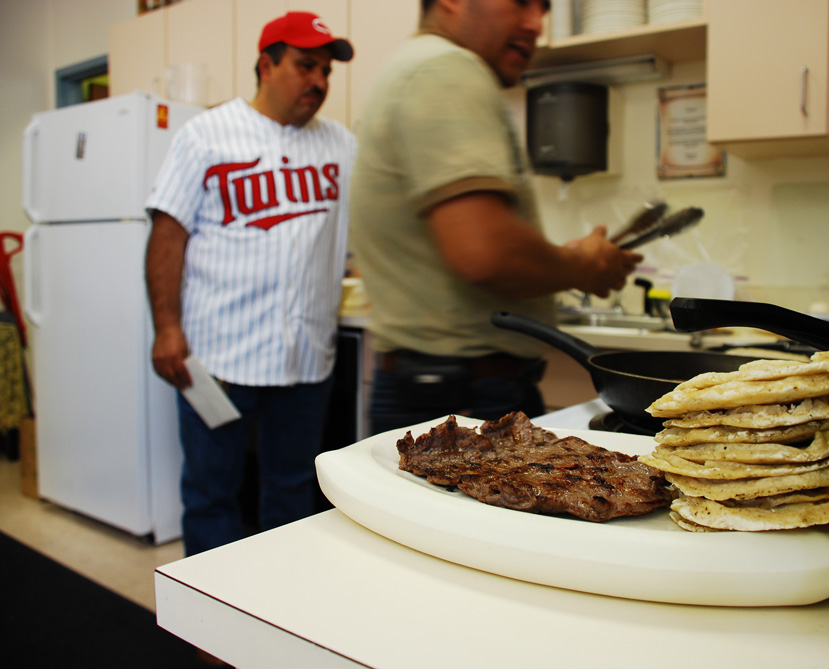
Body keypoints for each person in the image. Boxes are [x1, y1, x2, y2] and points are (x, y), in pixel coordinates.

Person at [348, 0, 642, 433]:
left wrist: (562, 260)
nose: (534, 24)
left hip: (443, 388)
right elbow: (486, 254)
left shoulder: (416, 68)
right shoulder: (445, 69)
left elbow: (469, 242)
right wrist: (588, 266)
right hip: (464, 395)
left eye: (542, 9)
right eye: (520, 3)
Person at [144, 11, 357, 557]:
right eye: (306, 65)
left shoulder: (342, 146)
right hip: (219, 355)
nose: (319, 81)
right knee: (212, 493)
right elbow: (167, 236)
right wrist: (167, 328)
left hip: (307, 359)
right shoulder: (205, 136)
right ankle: (210, 629)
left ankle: (277, 609)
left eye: (327, 71)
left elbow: (357, 231)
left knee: (290, 491)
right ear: (266, 64)